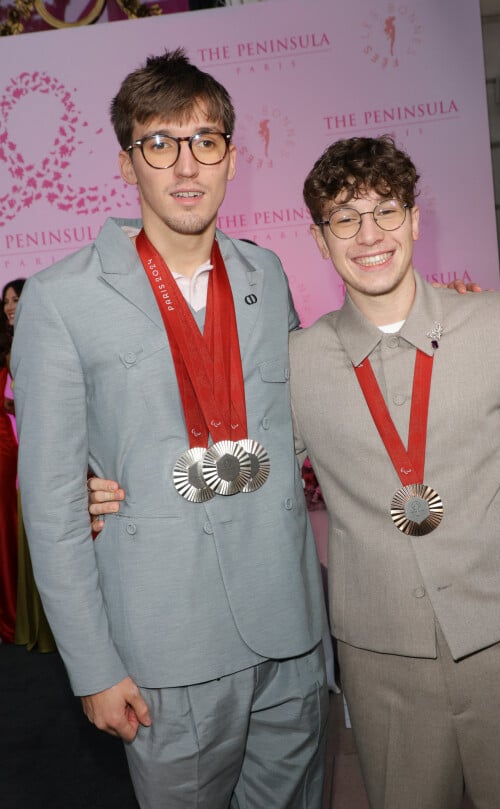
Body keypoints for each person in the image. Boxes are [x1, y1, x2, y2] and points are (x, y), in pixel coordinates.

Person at [11, 49, 328, 809]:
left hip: (292, 630)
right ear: (128, 164)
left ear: (230, 157)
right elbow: (51, 507)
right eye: (160, 143)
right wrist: (93, 665)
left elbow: (297, 425)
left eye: (205, 141)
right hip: (166, 649)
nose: (186, 166)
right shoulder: (61, 299)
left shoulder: (267, 274)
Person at [287, 135, 500, 809]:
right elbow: (255, 476)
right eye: (345, 217)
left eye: (386, 210)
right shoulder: (297, 362)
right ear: (320, 239)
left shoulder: (498, 321)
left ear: (416, 221)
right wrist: (124, 491)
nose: (369, 234)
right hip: (384, 666)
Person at [0, 279, 24, 644]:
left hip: (30, 450)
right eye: (5, 301)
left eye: (15, 299)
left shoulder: (44, 340)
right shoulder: (5, 349)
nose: (8, 306)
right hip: (8, 450)